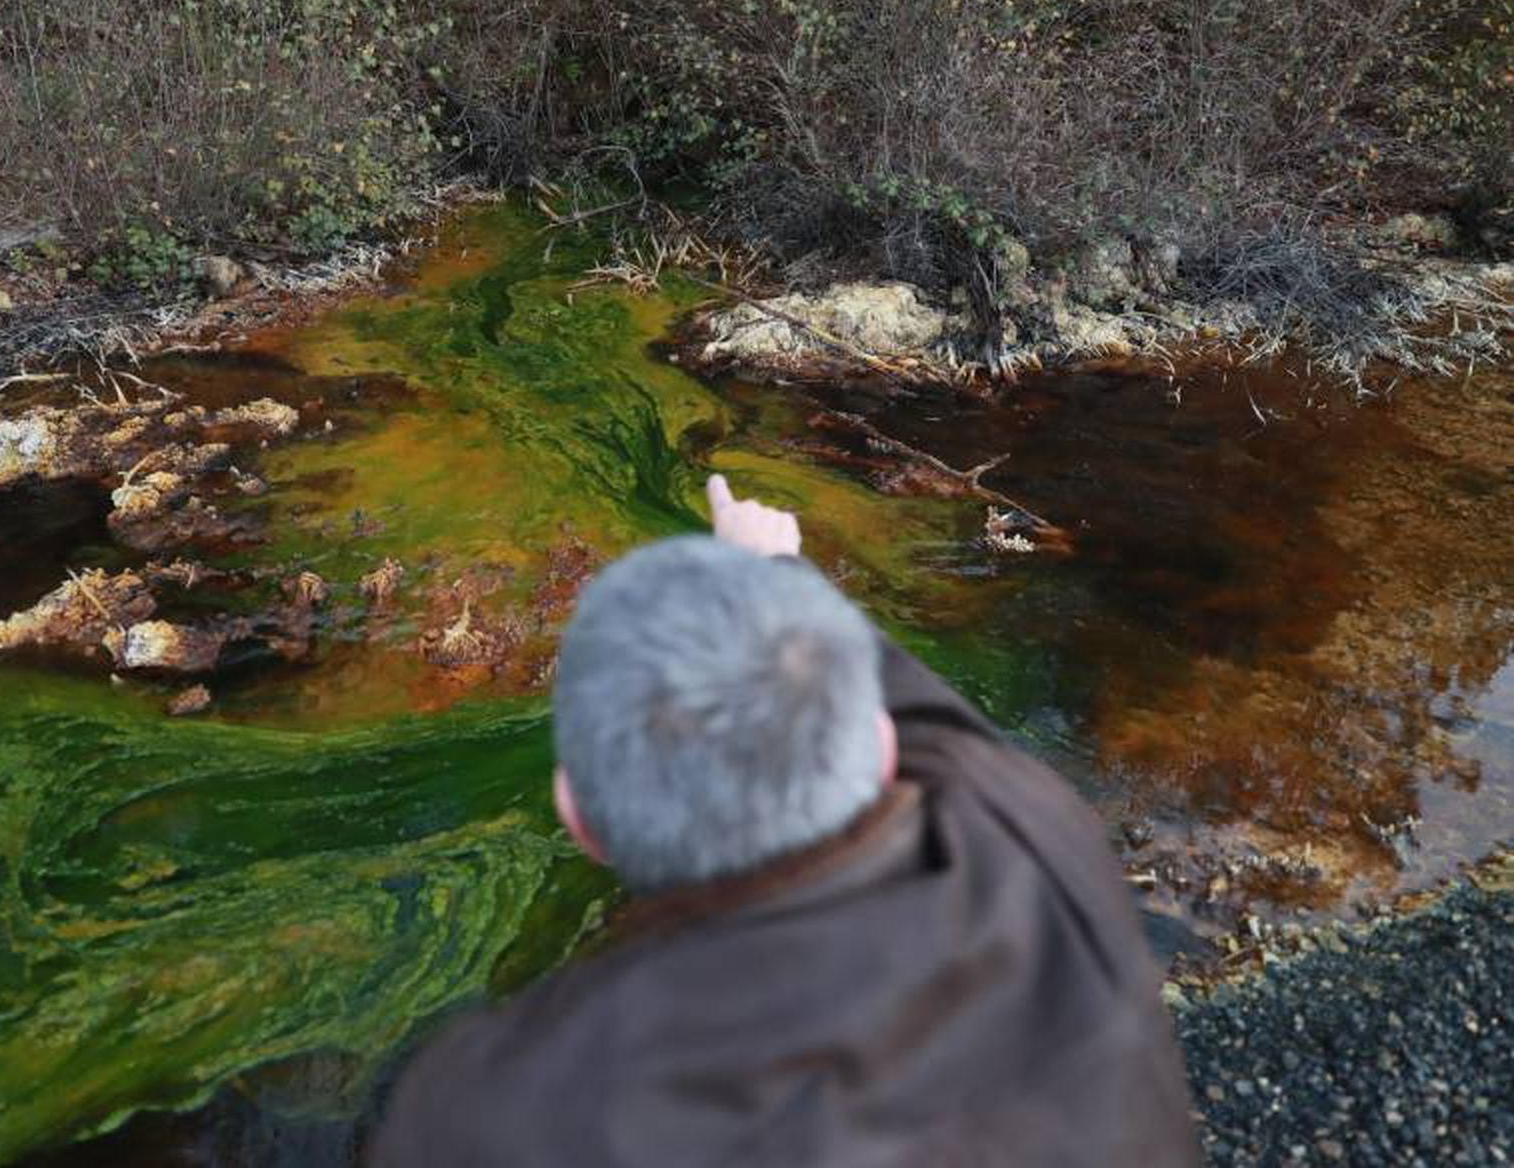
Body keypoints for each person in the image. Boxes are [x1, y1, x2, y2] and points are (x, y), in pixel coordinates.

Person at [371, 476, 1200, 1167]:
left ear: (578, 819)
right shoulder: (1032, 836)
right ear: (880, 748)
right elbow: (932, 728)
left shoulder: (490, 1114)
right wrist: (777, 576)